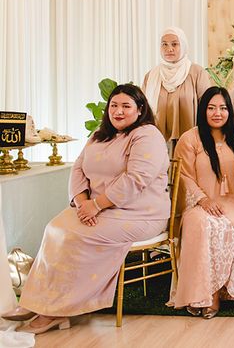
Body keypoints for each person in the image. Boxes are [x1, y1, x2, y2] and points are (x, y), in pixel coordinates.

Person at [2, 84, 170, 333]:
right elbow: (78, 169)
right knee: (55, 228)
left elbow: (136, 179)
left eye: (126, 106)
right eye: (114, 105)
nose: (119, 111)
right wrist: (83, 204)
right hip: (96, 208)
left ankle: (54, 311)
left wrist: (97, 205)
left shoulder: (147, 135)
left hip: (139, 214)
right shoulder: (100, 135)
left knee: (74, 235)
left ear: (140, 110)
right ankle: (36, 302)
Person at [169, 87, 234, 318]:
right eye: (211, 108)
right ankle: (208, 295)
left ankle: (221, 291)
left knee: (229, 224)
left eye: (223, 108)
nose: (217, 113)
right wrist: (203, 200)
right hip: (199, 204)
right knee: (201, 225)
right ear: (203, 110)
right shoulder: (190, 138)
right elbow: (183, 176)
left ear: (230, 111)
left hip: (233, 203)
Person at [142, 27, 212, 145]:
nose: (169, 49)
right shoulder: (151, 76)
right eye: (164, 44)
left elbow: (208, 106)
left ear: (183, 46)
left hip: (191, 142)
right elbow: (142, 109)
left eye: (175, 44)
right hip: (157, 142)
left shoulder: (196, 72)